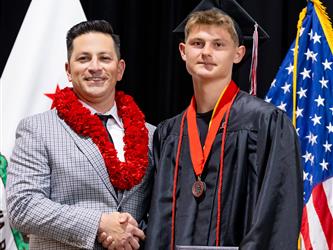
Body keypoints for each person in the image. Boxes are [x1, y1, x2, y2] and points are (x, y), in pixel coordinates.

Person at [145, 0, 303, 249]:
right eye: (198, 44)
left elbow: (276, 215)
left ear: (238, 53)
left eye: (218, 45)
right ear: (183, 51)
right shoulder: (168, 133)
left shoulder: (266, 123)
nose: (206, 52)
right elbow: (156, 222)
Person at [6, 20, 155, 250]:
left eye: (105, 58)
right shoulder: (37, 129)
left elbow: (162, 207)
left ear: (120, 69)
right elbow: (23, 207)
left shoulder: (153, 135)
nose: (95, 67)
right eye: (84, 58)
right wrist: (98, 223)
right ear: (68, 70)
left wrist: (132, 232)